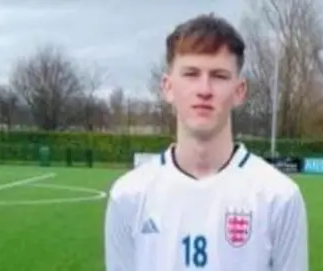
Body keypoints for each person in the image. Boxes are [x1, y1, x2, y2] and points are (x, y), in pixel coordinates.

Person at [104, 13, 308, 271]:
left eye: (219, 76)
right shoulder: (128, 196)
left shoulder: (279, 197)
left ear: (239, 91)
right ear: (168, 87)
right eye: (191, 74)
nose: (204, 89)